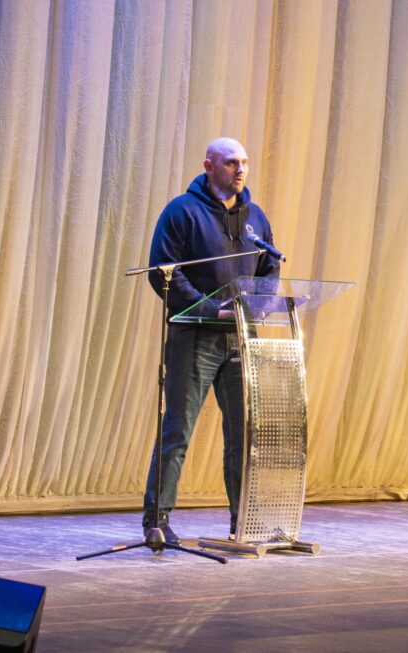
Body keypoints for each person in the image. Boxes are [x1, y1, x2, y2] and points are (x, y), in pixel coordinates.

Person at [143, 137, 280, 543]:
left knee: (243, 434)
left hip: (241, 338)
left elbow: (270, 266)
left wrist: (260, 304)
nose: (241, 170)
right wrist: (208, 309)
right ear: (209, 166)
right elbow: (164, 271)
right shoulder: (182, 211)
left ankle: (243, 521)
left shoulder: (255, 217)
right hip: (195, 336)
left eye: (245, 163)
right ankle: (157, 520)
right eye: (231, 162)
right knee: (178, 430)